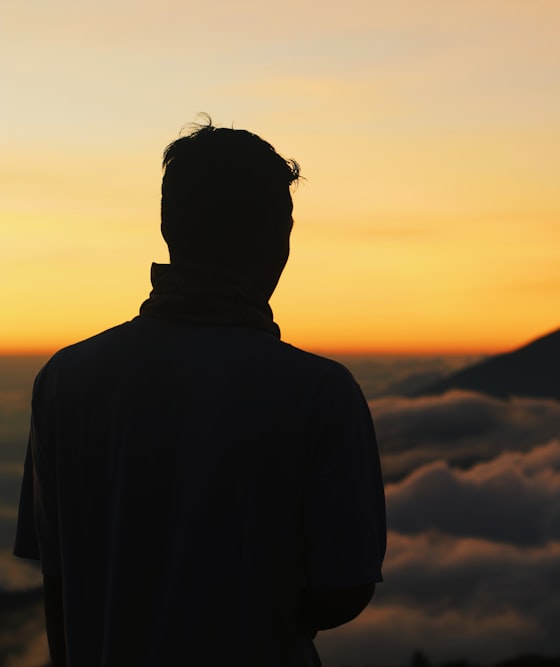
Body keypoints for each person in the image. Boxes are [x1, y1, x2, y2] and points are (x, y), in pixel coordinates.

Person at [13, 119, 386, 666]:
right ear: (272, 235)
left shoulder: (66, 378)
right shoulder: (319, 394)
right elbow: (345, 588)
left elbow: (58, 580)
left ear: (169, 227)